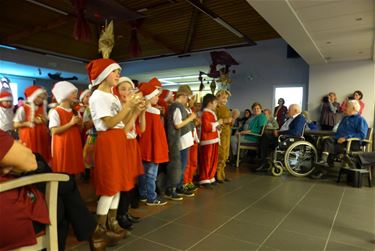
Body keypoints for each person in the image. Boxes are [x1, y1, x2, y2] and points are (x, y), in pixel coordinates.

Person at [87, 58, 139, 250]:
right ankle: (99, 231)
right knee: (110, 187)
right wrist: (128, 107)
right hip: (108, 140)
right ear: (103, 75)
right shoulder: (98, 96)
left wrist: (133, 110)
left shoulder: (112, 96)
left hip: (118, 139)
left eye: (118, 71)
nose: (118, 75)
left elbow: (122, 123)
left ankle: (112, 223)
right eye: (115, 71)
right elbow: (108, 123)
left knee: (117, 186)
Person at [113, 76, 146, 230]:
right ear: (117, 91)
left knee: (131, 180)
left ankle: (125, 213)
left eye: (129, 89)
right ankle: (120, 215)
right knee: (124, 182)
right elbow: (123, 131)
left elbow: (142, 129)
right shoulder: (119, 107)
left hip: (132, 144)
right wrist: (134, 113)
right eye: (122, 89)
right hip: (123, 145)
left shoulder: (130, 106)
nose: (126, 92)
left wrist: (142, 112)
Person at [312, 100, 369, 179]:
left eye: (347, 106)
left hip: (351, 144)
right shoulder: (345, 118)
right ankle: (324, 163)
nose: (344, 108)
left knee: (329, 146)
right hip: (338, 141)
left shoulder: (361, 120)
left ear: (353, 108)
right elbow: (338, 132)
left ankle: (323, 168)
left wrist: (346, 138)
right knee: (326, 141)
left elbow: (362, 135)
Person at [138, 78, 169, 206]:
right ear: (148, 97)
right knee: (151, 174)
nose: (158, 97)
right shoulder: (151, 113)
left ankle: (144, 194)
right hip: (152, 147)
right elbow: (154, 134)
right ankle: (151, 197)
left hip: (147, 147)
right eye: (155, 95)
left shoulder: (150, 111)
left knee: (144, 173)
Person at [165, 85, 196, 200]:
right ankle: (171, 188)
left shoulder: (179, 107)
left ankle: (178, 186)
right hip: (178, 141)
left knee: (182, 166)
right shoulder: (176, 107)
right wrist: (190, 118)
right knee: (177, 166)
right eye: (187, 97)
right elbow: (177, 124)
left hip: (184, 141)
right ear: (183, 95)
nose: (187, 100)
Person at [49, 81, 85, 175]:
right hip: (62, 145)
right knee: (63, 171)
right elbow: (54, 131)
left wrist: (80, 124)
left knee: (74, 169)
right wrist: (71, 123)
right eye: (73, 92)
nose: (75, 95)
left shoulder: (75, 112)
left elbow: (80, 130)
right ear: (64, 93)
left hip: (74, 143)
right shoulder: (55, 112)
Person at [259, 104, 306, 171]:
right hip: (282, 137)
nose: (287, 111)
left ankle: (264, 163)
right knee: (264, 136)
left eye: (289, 110)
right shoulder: (291, 118)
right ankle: (264, 161)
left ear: (295, 111)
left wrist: (279, 133)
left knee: (265, 138)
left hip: (287, 139)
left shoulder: (300, 118)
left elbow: (295, 132)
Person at [13, 85, 51, 162]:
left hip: (41, 137)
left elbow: (45, 121)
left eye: (42, 98)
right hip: (29, 138)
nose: (40, 100)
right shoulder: (23, 108)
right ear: (32, 96)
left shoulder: (42, 107)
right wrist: (29, 122)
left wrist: (43, 120)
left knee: (42, 158)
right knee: (30, 157)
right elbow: (15, 125)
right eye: (38, 97)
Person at [199, 94, 223, 188]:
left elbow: (212, 126)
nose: (216, 104)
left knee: (213, 159)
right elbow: (206, 127)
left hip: (213, 139)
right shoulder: (205, 113)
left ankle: (210, 177)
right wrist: (218, 123)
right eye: (215, 102)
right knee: (207, 160)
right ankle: (204, 179)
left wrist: (218, 126)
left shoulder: (211, 113)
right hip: (207, 140)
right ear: (210, 103)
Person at [215, 90, 232, 183]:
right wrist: (225, 120)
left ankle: (222, 174)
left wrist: (231, 121)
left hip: (227, 133)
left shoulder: (226, 108)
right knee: (220, 154)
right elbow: (215, 120)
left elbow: (229, 120)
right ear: (218, 97)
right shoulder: (215, 108)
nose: (225, 100)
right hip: (220, 134)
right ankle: (217, 175)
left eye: (226, 98)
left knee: (225, 154)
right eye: (223, 98)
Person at [184, 94, 200, 193]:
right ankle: (185, 182)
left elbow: (195, 122)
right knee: (187, 162)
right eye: (192, 100)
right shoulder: (184, 111)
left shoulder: (191, 111)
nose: (193, 102)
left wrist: (196, 122)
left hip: (194, 138)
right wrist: (194, 121)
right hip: (188, 138)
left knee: (193, 161)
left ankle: (190, 180)